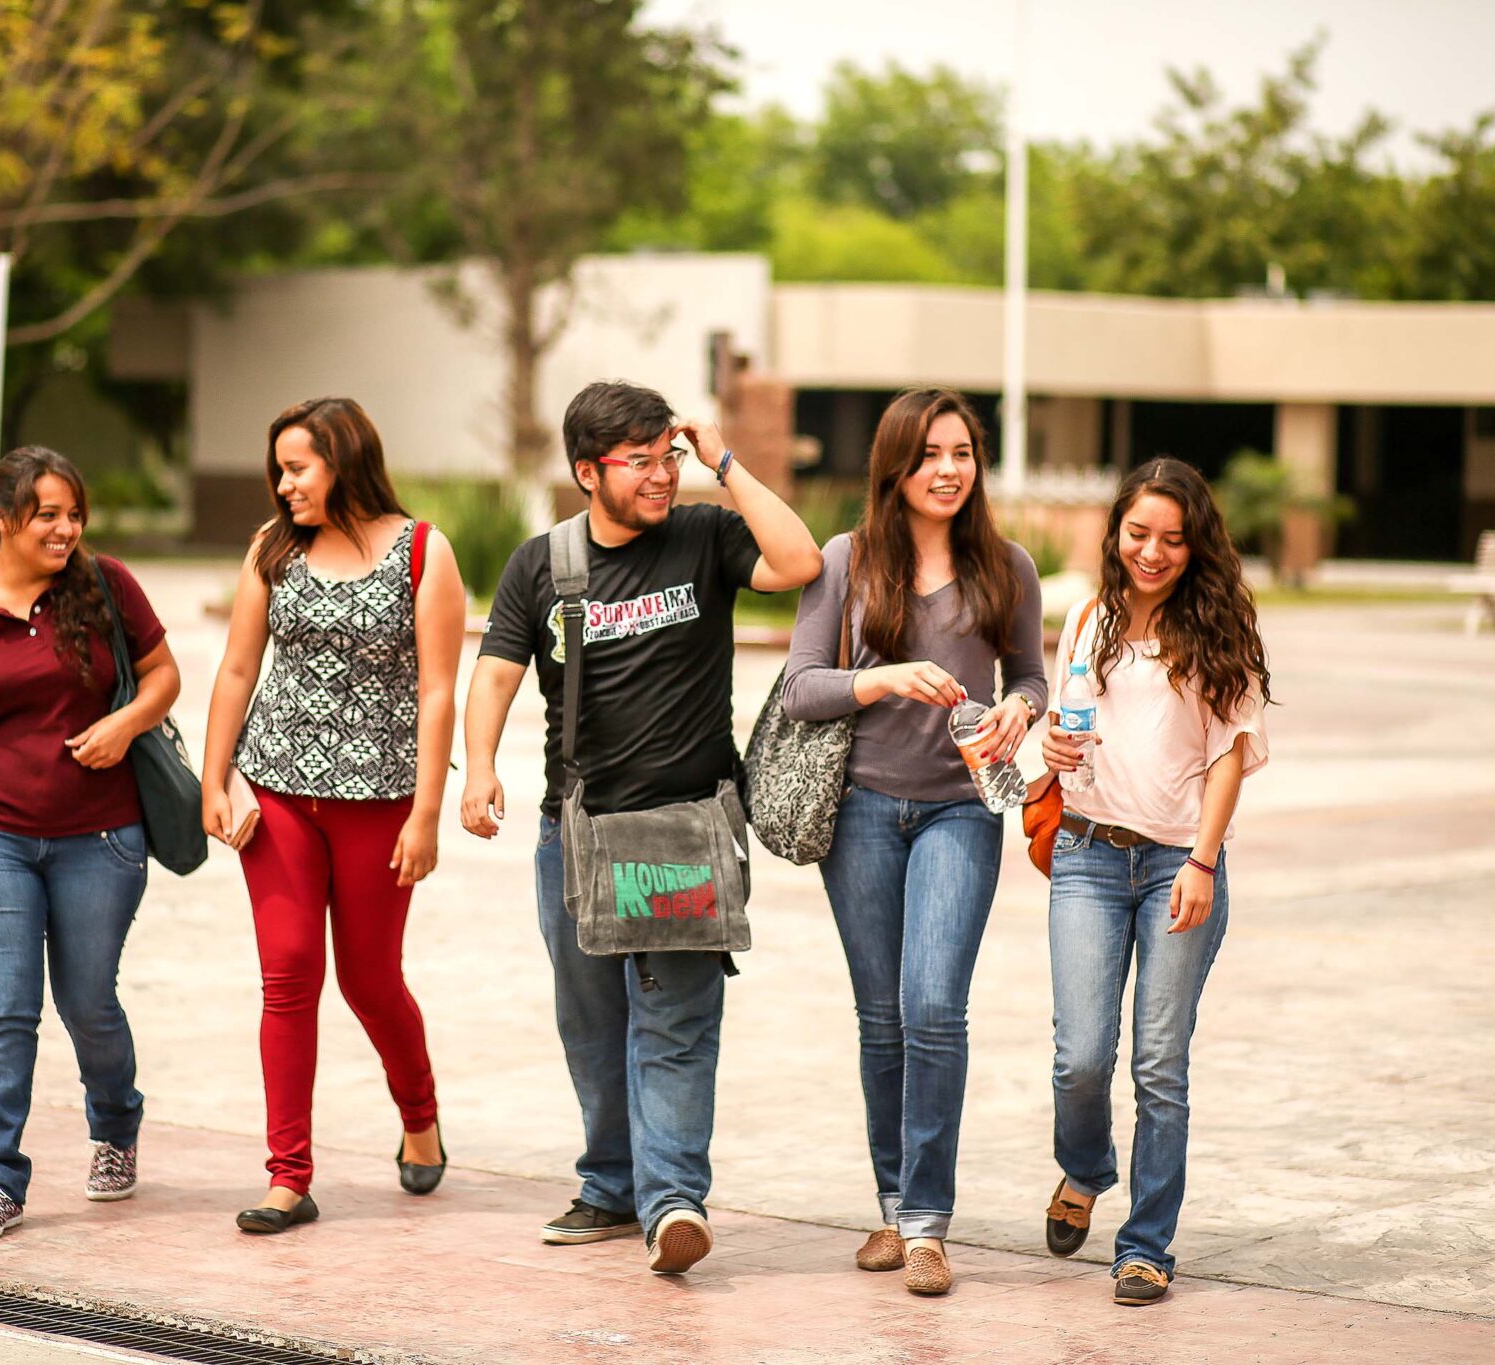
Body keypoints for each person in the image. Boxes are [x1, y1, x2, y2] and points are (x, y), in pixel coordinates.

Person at [460, 380, 822, 1276]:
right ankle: (612, 1185)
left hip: (687, 829)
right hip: (578, 836)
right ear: (588, 471)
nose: (662, 476)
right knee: (592, 1024)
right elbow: (497, 672)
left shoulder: (704, 535)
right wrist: (477, 770)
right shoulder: (542, 564)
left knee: (675, 1024)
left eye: (669, 457)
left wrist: (723, 462)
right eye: (641, 462)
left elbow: (801, 561)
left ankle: (673, 1206)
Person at [778, 388, 1046, 1296]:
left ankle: (928, 1223)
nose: (948, 469)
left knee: (934, 1006)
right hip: (860, 810)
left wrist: (1020, 707)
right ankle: (893, 1208)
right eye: (931, 453)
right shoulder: (844, 561)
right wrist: (885, 676)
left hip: (960, 809)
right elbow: (800, 689)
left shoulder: (1007, 564)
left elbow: (1033, 676)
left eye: (963, 452)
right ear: (895, 465)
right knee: (881, 1018)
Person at [0, 446, 183, 1241]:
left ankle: (116, 1124)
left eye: (73, 513)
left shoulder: (104, 587)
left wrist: (125, 723)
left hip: (101, 836)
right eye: (47, 513)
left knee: (88, 1002)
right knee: (6, 1008)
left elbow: (164, 674)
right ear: (1, 516)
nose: (66, 528)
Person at [201, 397, 465, 1235]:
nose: (283, 485)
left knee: (369, 979)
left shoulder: (424, 550)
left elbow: (436, 688)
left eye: (297, 467)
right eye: (279, 469)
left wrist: (426, 812)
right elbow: (239, 670)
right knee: (287, 976)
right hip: (277, 793)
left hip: (380, 804)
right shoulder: (273, 550)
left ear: (344, 460)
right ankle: (289, 1176)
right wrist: (215, 777)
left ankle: (418, 1116)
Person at [1039, 457, 1271, 1306]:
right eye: (1139, 533)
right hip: (1086, 855)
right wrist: (1054, 752)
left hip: (1179, 861)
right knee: (1081, 1056)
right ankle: (1085, 1166)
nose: (1154, 552)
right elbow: (1070, 728)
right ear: (1116, 534)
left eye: (1174, 538)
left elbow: (1228, 757)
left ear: (1195, 544)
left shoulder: (1220, 628)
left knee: (1159, 1065)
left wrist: (1204, 861)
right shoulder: (1088, 618)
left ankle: (1145, 1246)